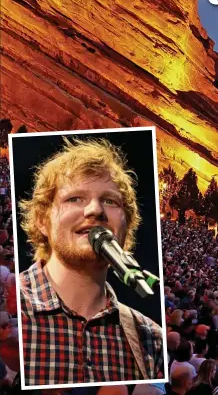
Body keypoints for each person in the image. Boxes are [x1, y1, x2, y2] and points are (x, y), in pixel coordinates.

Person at [17, 138, 165, 386]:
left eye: (110, 201)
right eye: (75, 198)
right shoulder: (12, 310)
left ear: (126, 227)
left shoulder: (149, 337)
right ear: (42, 220)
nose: (95, 209)